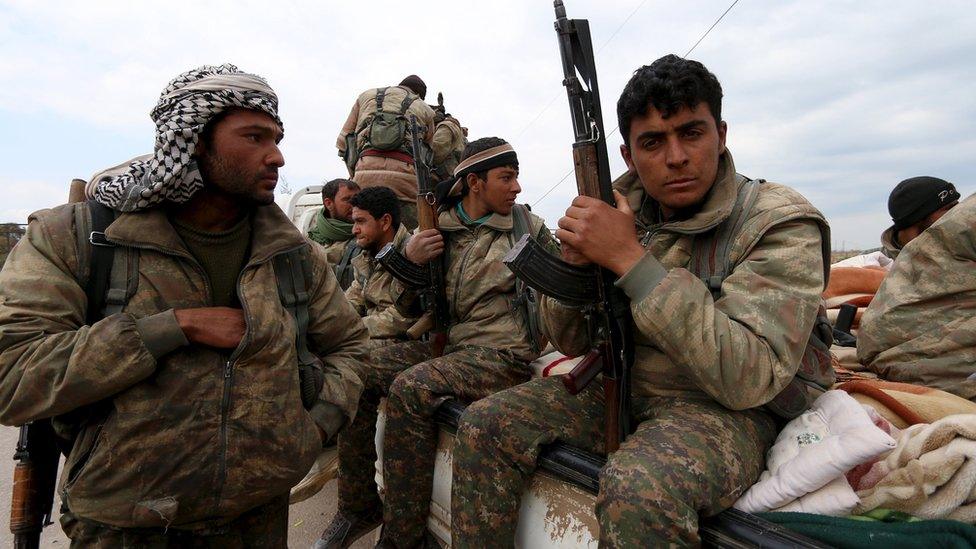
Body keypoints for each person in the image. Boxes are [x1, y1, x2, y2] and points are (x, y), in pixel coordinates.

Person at [451, 54, 833, 547]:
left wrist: (632, 262)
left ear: (721, 134)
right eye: (652, 142)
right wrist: (575, 265)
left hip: (725, 409)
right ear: (629, 156)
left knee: (640, 489)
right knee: (484, 424)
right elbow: (570, 340)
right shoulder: (617, 209)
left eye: (691, 133)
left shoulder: (776, 222)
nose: (675, 157)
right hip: (624, 383)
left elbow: (749, 377)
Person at [0, 64, 367, 547]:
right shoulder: (79, 239)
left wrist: (311, 431)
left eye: (276, 138)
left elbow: (351, 347)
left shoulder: (293, 255)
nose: (276, 156)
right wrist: (170, 328)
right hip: (125, 522)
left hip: (258, 514)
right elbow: (12, 374)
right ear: (193, 139)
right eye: (254, 137)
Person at [314, 137, 554, 549]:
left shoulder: (526, 228)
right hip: (448, 347)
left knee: (412, 387)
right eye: (507, 177)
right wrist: (409, 260)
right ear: (475, 183)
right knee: (358, 369)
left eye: (516, 177)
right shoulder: (438, 228)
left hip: (501, 353)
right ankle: (358, 505)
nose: (516, 188)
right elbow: (406, 309)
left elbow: (563, 294)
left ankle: (402, 537)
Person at [858, 193, 976, 400]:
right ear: (915, 223)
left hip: (897, 362)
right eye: (949, 207)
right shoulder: (957, 229)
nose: (955, 212)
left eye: (956, 205)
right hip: (938, 372)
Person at [336, 75, 437, 230]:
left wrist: (356, 173)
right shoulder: (425, 109)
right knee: (407, 240)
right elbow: (429, 156)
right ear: (420, 96)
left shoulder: (366, 97)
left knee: (367, 237)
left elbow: (343, 143)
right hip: (406, 186)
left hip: (365, 179)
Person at [343, 186, 417, 351]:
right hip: (373, 335)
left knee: (348, 358)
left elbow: (404, 318)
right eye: (354, 222)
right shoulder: (367, 256)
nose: (354, 230)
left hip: (406, 341)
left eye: (360, 221)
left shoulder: (411, 254)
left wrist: (351, 329)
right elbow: (353, 300)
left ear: (385, 222)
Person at [834, 176, 960, 269]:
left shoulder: (963, 255)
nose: (959, 212)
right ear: (918, 217)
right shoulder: (867, 265)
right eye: (949, 208)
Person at [309, 178, 362, 288]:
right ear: (329, 204)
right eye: (347, 199)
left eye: (357, 199)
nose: (354, 205)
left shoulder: (367, 235)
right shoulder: (313, 238)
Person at [430, 96, 468, 181]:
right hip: (453, 177)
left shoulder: (445, 127)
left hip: (448, 178)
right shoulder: (452, 128)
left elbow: (436, 152)